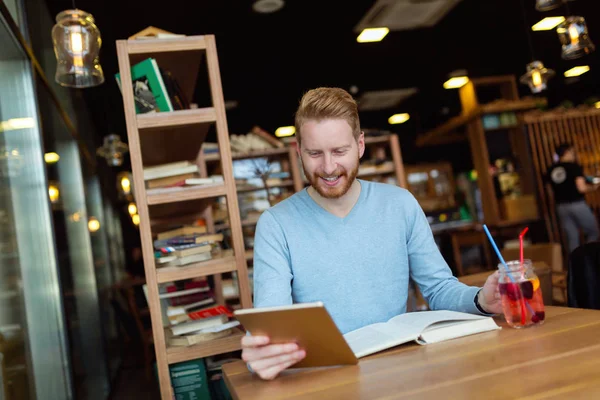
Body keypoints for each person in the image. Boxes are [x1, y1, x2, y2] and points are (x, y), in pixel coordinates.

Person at [241, 87, 502, 380]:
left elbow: (438, 289)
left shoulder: (400, 203)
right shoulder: (276, 224)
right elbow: (273, 324)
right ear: (298, 150)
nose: (328, 168)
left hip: (404, 370)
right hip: (327, 379)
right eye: (315, 153)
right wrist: (262, 353)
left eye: (340, 151)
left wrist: (481, 300)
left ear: (360, 145)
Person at [546, 143, 600, 253]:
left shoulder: (551, 169)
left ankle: (575, 264)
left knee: (572, 237)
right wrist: (594, 187)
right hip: (577, 204)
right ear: (567, 152)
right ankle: (588, 257)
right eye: (572, 152)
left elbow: (549, 190)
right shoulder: (573, 167)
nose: (574, 154)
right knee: (593, 231)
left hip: (560, 206)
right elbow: (582, 188)